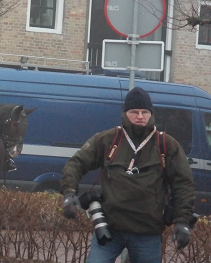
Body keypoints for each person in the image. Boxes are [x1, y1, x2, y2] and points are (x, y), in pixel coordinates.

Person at [60, 87, 195, 263]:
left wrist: (182, 222)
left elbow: (183, 184)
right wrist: (69, 193)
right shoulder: (109, 139)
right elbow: (76, 163)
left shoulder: (166, 145)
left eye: (145, 112)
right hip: (110, 229)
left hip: (147, 233)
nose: (140, 116)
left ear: (151, 114)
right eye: (134, 112)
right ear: (125, 114)